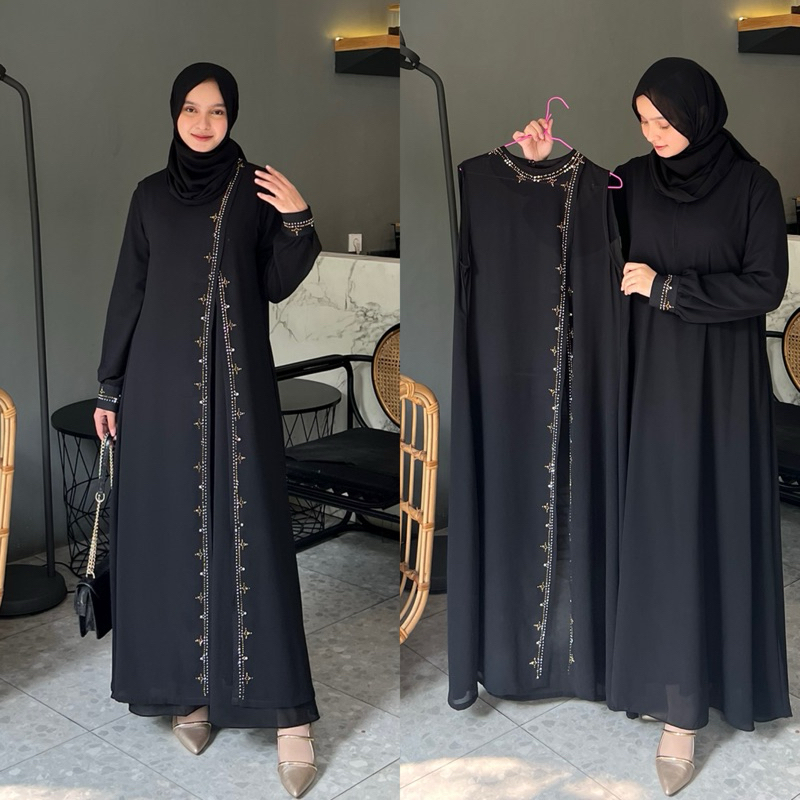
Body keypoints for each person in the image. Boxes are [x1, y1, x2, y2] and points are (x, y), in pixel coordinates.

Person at [518, 57, 791, 796]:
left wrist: (668, 289)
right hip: (648, 383)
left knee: (713, 526)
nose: (653, 134)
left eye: (664, 121)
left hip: (722, 388)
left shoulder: (753, 188)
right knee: (660, 532)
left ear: (698, 114)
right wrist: (543, 169)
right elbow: (579, 225)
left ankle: (701, 701)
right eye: (643, 121)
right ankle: (666, 685)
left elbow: (765, 285)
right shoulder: (630, 181)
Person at [93, 63, 321, 799]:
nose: (202, 122)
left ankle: (288, 714)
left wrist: (299, 219)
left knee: (250, 533)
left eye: (216, 111)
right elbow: (129, 292)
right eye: (191, 109)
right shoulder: (148, 197)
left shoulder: (253, 189)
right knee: (173, 535)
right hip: (159, 391)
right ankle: (185, 691)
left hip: (235, 389)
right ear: (174, 114)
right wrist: (110, 386)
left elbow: (276, 282)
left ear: (232, 117)